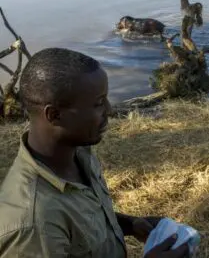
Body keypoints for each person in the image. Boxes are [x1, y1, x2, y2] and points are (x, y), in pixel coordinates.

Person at [0, 48, 189, 258]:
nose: (109, 110)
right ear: (54, 115)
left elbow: (84, 223)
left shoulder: (78, 155)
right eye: (99, 103)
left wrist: (130, 224)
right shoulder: (32, 224)